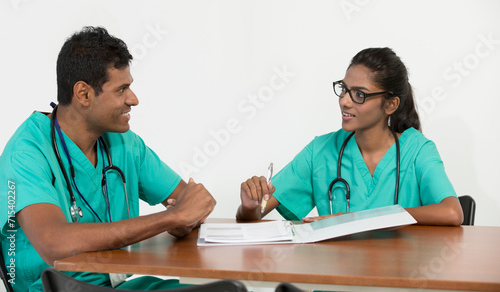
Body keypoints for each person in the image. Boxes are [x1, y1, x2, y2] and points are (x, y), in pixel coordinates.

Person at [0, 26, 216, 291]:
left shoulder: (124, 143)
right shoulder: (26, 154)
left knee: (225, 289)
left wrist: (190, 215)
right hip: (55, 288)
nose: (133, 99)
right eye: (121, 89)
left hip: (116, 285)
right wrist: (172, 218)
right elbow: (53, 243)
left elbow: (189, 202)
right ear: (84, 94)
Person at [237, 47, 463, 226]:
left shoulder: (417, 150)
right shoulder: (321, 151)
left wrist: (360, 219)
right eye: (344, 89)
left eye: (359, 94)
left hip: (399, 279)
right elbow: (255, 214)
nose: (344, 100)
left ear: (391, 104)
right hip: (337, 279)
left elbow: (452, 212)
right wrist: (249, 205)